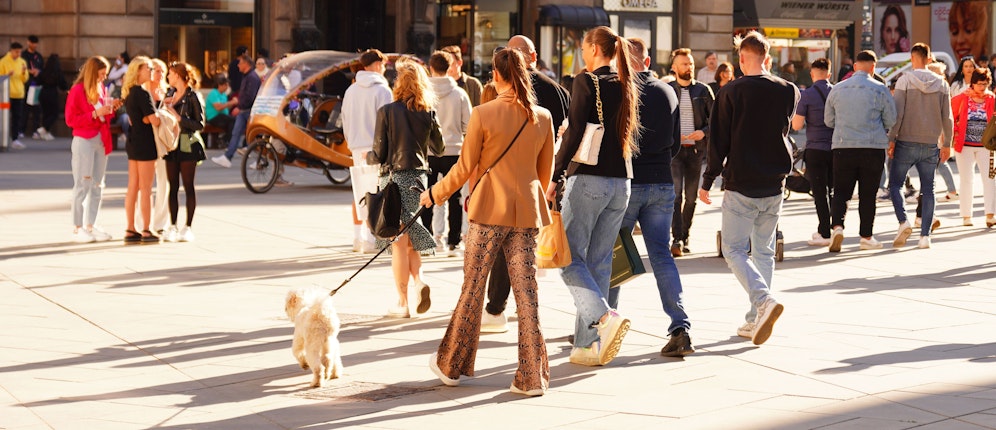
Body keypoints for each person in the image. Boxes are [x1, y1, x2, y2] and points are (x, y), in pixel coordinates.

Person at [422, 47, 554, 396]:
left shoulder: (484, 113)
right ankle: (531, 377)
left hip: (488, 212)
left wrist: (434, 194)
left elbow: (464, 169)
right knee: (527, 295)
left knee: (473, 286)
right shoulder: (542, 116)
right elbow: (544, 174)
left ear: (496, 76)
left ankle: (452, 365)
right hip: (526, 212)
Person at [546, 25, 639, 367]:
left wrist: (555, 175)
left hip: (590, 179)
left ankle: (603, 317)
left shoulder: (587, 81)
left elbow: (573, 134)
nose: (582, 53)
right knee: (599, 262)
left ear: (594, 49)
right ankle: (587, 346)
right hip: (622, 182)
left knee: (567, 258)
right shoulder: (627, 81)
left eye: (584, 47)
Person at [698, 30, 798, 346]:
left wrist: (708, 178)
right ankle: (756, 319)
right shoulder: (789, 90)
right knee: (764, 251)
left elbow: (718, 141)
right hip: (775, 182)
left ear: (742, 59)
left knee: (734, 250)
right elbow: (785, 129)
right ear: (766, 57)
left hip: (742, 181)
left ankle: (763, 302)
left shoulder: (731, 92)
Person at [482, 34, 571, 334]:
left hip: (507, 181)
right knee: (525, 249)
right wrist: (551, 183)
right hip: (540, 181)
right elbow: (563, 138)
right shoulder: (556, 91)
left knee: (503, 247)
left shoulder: (502, 92)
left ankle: (496, 308)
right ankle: (522, 313)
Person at [614, 37, 693, 357]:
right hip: (662, 182)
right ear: (646, 61)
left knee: (614, 253)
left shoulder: (620, 90)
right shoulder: (667, 90)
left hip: (630, 181)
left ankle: (600, 325)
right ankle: (680, 327)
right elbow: (674, 143)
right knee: (661, 255)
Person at [368, 57, 444, 318]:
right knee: (411, 241)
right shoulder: (428, 112)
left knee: (397, 242)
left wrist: (367, 156)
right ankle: (419, 281)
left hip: (393, 179)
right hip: (419, 180)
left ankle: (402, 303)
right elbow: (440, 148)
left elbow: (379, 153)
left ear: (399, 83)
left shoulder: (388, 111)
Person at [823, 51, 897, 252]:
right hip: (872, 148)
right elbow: (891, 119)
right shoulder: (880, 89)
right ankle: (866, 236)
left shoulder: (837, 88)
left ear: (855, 66)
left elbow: (828, 120)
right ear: (873, 68)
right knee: (868, 194)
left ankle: (837, 227)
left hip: (843, 146)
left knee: (841, 192)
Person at [888, 43, 954, 249]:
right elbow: (948, 117)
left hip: (906, 140)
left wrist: (892, 138)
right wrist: (947, 143)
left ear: (912, 57)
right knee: (929, 189)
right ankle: (925, 236)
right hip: (930, 143)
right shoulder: (942, 83)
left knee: (896, 184)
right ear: (928, 58)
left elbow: (897, 114)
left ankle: (903, 221)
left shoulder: (904, 80)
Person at [341, 49, 393, 253]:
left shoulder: (351, 90)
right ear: (378, 64)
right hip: (376, 147)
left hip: (356, 146)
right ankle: (371, 239)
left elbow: (344, 119)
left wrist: (351, 141)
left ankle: (357, 237)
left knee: (359, 191)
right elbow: (387, 123)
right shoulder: (383, 90)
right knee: (376, 192)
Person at [422, 51, 472, 257]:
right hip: (453, 151)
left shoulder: (423, 92)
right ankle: (453, 242)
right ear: (450, 66)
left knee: (427, 196)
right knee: (454, 197)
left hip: (428, 152)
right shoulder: (459, 94)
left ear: (430, 68)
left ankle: (428, 239)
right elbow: (468, 125)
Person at [65, 56, 117, 243]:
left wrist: (110, 109)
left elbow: (103, 116)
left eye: (105, 74)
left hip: (100, 139)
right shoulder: (77, 91)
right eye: (102, 74)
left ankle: (91, 224)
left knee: (97, 185)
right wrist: (95, 113)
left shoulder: (101, 88)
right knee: (82, 183)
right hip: (84, 140)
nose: (104, 78)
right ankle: (78, 227)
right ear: (93, 72)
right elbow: (71, 120)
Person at [668, 48, 714, 257]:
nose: (689, 67)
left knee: (692, 197)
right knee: (676, 195)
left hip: (696, 151)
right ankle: (676, 238)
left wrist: (703, 133)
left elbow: (715, 122)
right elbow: (661, 122)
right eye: (684, 64)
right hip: (675, 151)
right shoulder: (667, 90)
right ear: (674, 67)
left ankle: (685, 236)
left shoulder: (703, 91)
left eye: (691, 64)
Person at [792, 58, 836, 247]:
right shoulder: (838, 92)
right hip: (837, 148)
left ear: (812, 74)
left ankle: (824, 231)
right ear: (829, 73)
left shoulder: (806, 95)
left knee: (819, 191)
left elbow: (797, 124)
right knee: (835, 190)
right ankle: (837, 227)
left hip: (815, 149)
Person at [161, 61, 206, 243]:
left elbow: (200, 124)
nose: (168, 77)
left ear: (178, 76)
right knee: (172, 186)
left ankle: (187, 227)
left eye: (170, 74)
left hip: (188, 142)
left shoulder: (192, 96)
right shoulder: (169, 93)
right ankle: (172, 225)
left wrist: (179, 117)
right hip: (171, 144)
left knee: (188, 185)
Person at [122, 56, 162, 243]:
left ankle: (130, 228)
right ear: (138, 70)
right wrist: (162, 115)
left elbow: (140, 118)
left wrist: (148, 118)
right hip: (145, 142)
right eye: (148, 68)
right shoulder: (143, 93)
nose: (151, 71)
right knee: (146, 188)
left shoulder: (129, 93)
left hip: (133, 141)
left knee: (133, 186)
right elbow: (152, 120)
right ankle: (146, 229)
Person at [950, 68, 996, 228]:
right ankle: (966, 216)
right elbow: (950, 116)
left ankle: (990, 215)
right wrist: (954, 133)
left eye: (985, 84)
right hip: (964, 146)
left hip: (986, 146)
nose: (982, 87)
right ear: (973, 83)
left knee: (990, 179)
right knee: (966, 180)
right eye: (979, 84)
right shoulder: (962, 98)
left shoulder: (992, 99)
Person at [213, 54, 261, 167]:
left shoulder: (252, 77)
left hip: (248, 110)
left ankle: (260, 159)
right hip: (244, 110)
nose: (238, 65)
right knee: (237, 133)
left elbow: (250, 96)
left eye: (240, 63)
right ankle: (227, 157)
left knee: (252, 135)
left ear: (246, 64)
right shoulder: (247, 76)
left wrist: (239, 106)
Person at [143, 59, 171, 235]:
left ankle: (161, 222)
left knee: (163, 181)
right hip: (145, 140)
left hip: (162, 141)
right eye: (156, 70)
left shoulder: (168, 92)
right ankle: (142, 221)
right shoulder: (142, 92)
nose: (159, 73)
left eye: (162, 70)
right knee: (144, 183)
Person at [1, 42, 29, 150]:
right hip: (6, 94)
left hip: (19, 93)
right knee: (4, 117)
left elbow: (25, 79)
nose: (18, 54)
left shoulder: (22, 62)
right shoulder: (3, 62)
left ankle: (15, 139)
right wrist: (7, 75)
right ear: (11, 51)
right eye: (16, 52)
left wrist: (23, 73)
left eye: (20, 52)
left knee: (17, 117)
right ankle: (4, 138)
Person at [37, 54, 69, 141]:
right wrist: (66, 89)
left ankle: (45, 131)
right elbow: (63, 84)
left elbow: (38, 81)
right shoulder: (57, 72)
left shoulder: (44, 71)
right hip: (52, 94)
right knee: (54, 113)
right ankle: (44, 129)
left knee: (46, 113)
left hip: (43, 93)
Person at [22, 35, 45, 140]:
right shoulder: (23, 55)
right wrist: (29, 71)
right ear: (28, 43)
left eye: (36, 43)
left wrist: (38, 71)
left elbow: (42, 69)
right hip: (26, 85)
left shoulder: (39, 56)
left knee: (37, 109)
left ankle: (35, 130)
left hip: (36, 85)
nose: (34, 45)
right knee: (24, 108)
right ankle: (21, 130)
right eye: (32, 43)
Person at [205, 75, 237, 146]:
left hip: (222, 116)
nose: (227, 88)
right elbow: (218, 107)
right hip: (214, 117)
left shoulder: (223, 94)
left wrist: (232, 103)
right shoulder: (214, 93)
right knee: (233, 120)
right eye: (225, 85)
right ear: (220, 85)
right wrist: (230, 102)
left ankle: (225, 140)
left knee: (233, 121)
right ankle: (225, 139)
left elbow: (225, 106)